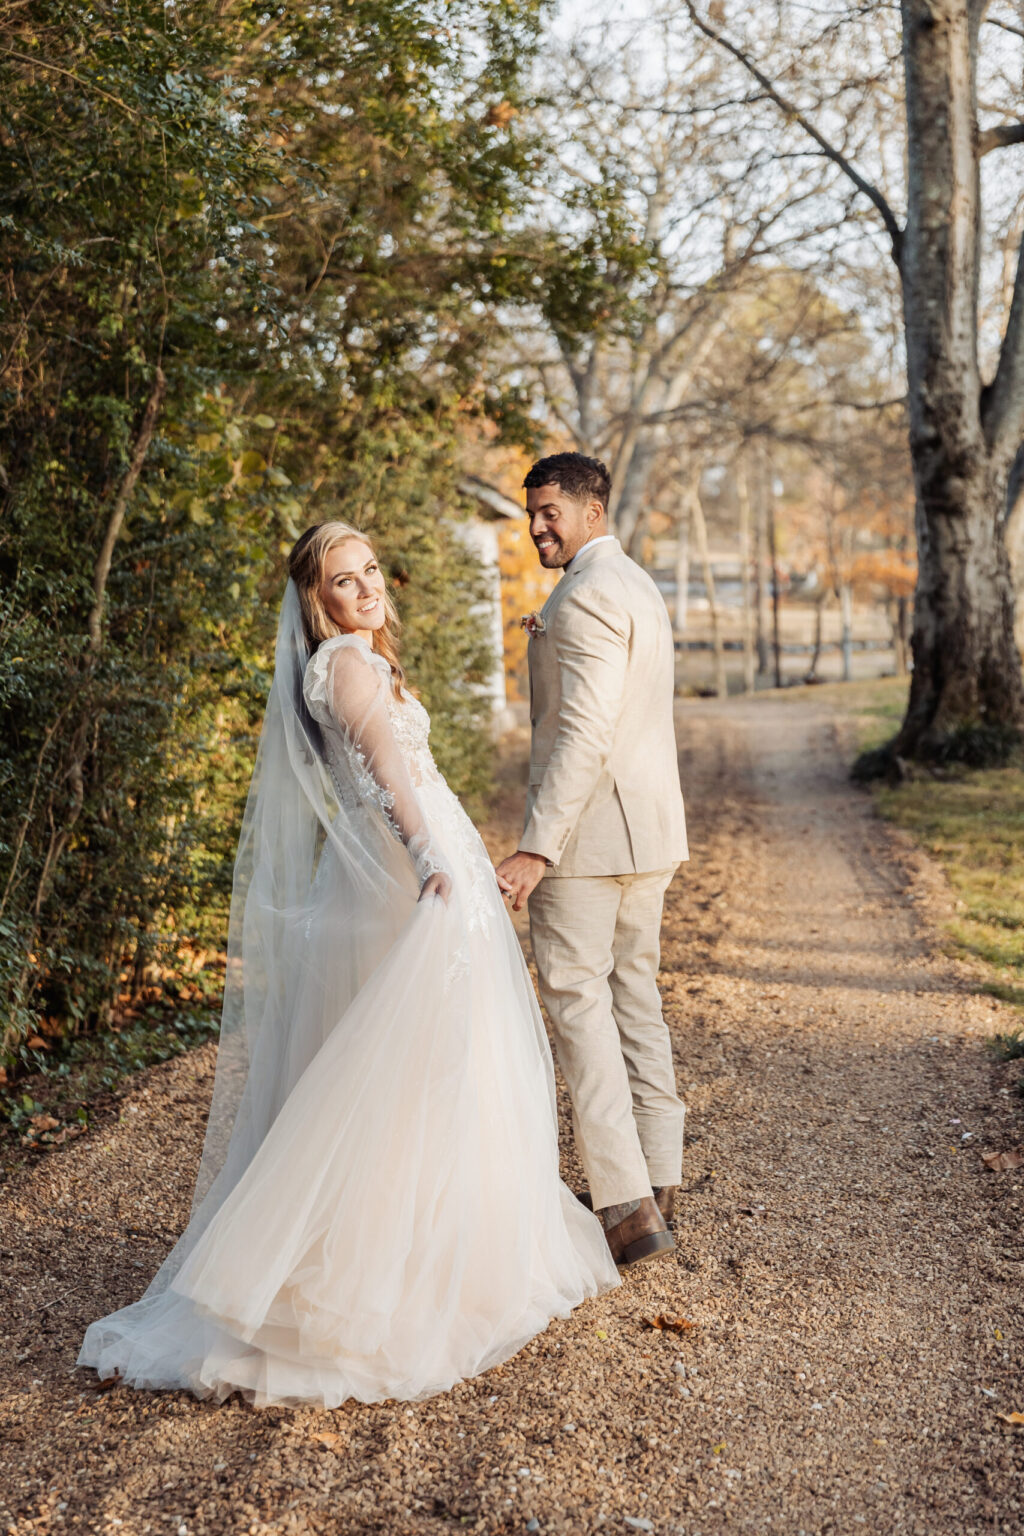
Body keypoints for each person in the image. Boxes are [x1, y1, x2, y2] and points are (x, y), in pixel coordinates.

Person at [78, 520, 618, 1409]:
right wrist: (432, 858)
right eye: (342, 579)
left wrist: (450, 849)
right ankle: (374, 1271)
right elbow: (385, 774)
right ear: (314, 599)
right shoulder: (347, 666)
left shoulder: (361, 656)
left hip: (418, 869)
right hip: (410, 880)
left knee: (429, 1069)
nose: (366, 588)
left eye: (370, 571)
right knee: (413, 1073)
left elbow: (408, 768)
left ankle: (442, 1242)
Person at [496, 453, 688, 1270]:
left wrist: (538, 845)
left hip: (588, 846)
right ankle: (658, 1183)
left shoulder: (582, 599)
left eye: (550, 512)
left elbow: (582, 734)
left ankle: (622, 1208)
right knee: (633, 1000)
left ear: (592, 509)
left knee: (580, 1009)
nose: (537, 525)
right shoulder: (635, 583)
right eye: (531, 512)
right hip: (649, 836)